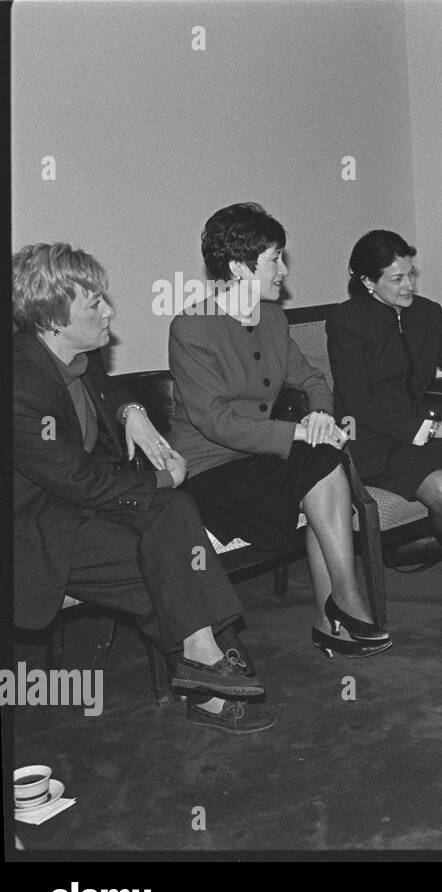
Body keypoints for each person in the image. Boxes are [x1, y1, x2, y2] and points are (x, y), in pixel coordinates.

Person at [12, 243, 269, 733]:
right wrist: (160, 476)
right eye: (94, 304)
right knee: (169, 563)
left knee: (174, 514)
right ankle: (213, 674)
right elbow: (78, 480)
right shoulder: (19, 385)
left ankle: (204, 662)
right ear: (51, 318)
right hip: (38, 528)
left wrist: (132, 412)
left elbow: (111, 394)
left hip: (85, 507)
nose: (109, 311)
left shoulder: (77, 358)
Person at [168, 203, 390, 660]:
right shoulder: (192, 328)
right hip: (212, 470)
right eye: (274, 259)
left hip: (261, 458)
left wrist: (322, 416)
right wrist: (295, 434)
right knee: (316, 461)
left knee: (324, 458)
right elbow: (214, 421)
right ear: (237, 266)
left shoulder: (271, 318)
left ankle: (341, 611)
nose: (283, 271)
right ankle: (344, 610)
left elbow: (310, 379)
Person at [328, 230, 442, 614]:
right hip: (374, 439)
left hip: (422, 428)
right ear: (366, 282)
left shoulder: (426, 313)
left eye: (411, 273)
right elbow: (359, 403)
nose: (409, 284)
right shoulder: (346, 322)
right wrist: (433, 430)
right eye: (397, 278)